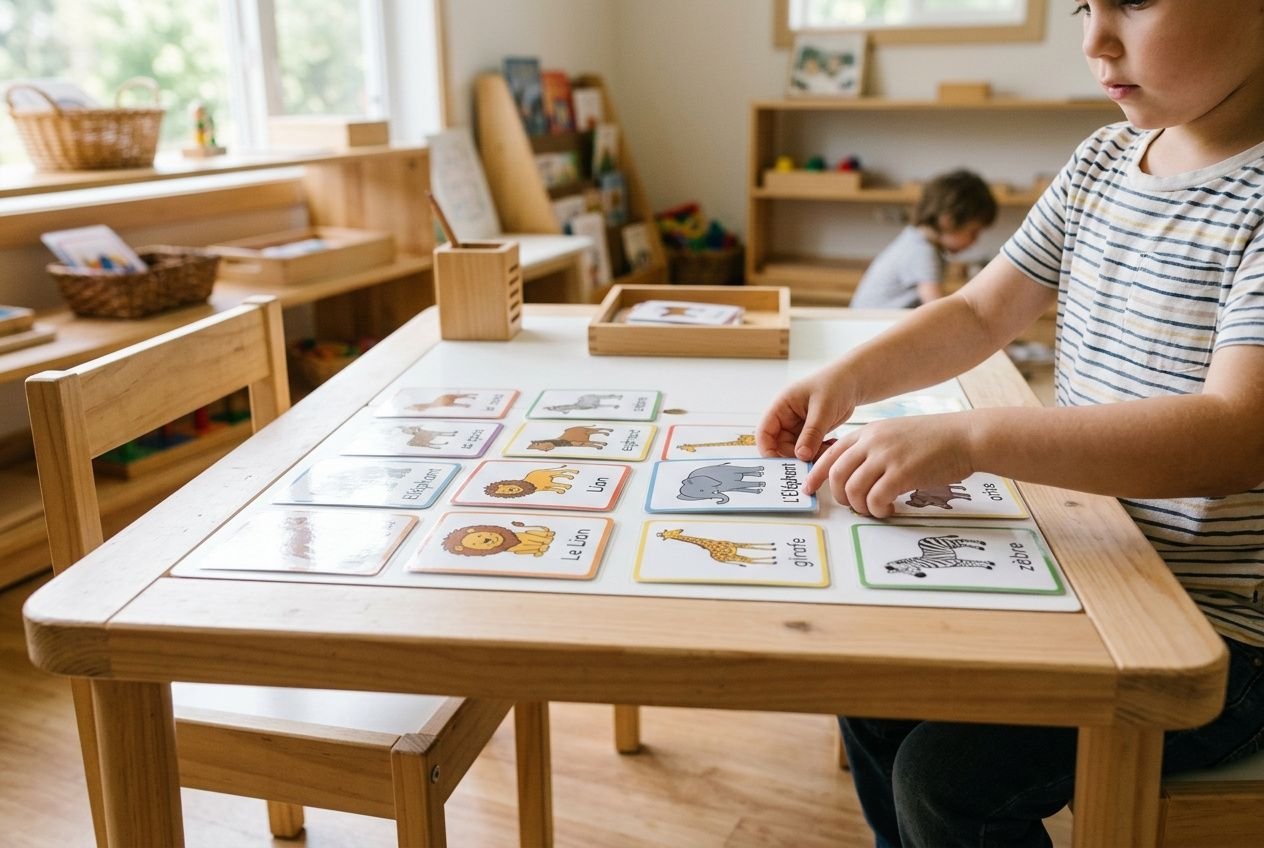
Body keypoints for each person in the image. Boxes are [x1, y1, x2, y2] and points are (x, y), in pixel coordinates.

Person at [757, 1, 1264, 845]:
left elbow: (1235, 431)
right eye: (1082, 6)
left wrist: (973, 439)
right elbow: (979, 313)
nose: (1093, 42)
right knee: (871, 684)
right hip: (1089, 564)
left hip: (1222, 635)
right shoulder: (1101, 160)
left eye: (1134, 2)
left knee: (946, 782)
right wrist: (846, 378)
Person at [849, 169, 997, 309]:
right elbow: (935, 309)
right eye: (973, 232)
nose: (975, 241)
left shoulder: (914, 239)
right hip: (871, 327)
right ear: (948, 221)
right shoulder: (923, 252)